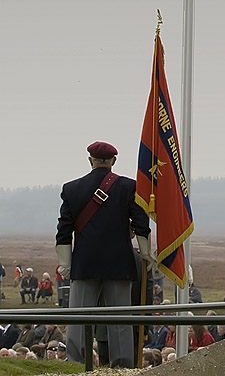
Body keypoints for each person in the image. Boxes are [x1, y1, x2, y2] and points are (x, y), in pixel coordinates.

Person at [55, 140, 152, 368]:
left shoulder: (71, 189)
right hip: (119, 264)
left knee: (77, 320)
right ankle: (122, 368)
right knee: (120, 323)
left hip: (85, 264)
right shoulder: (129, 187)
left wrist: (65, 264)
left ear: (90, 160)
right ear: (113, 162)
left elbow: (63, 230)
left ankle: (75, 366)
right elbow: (140, 223)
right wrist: (146, 253)